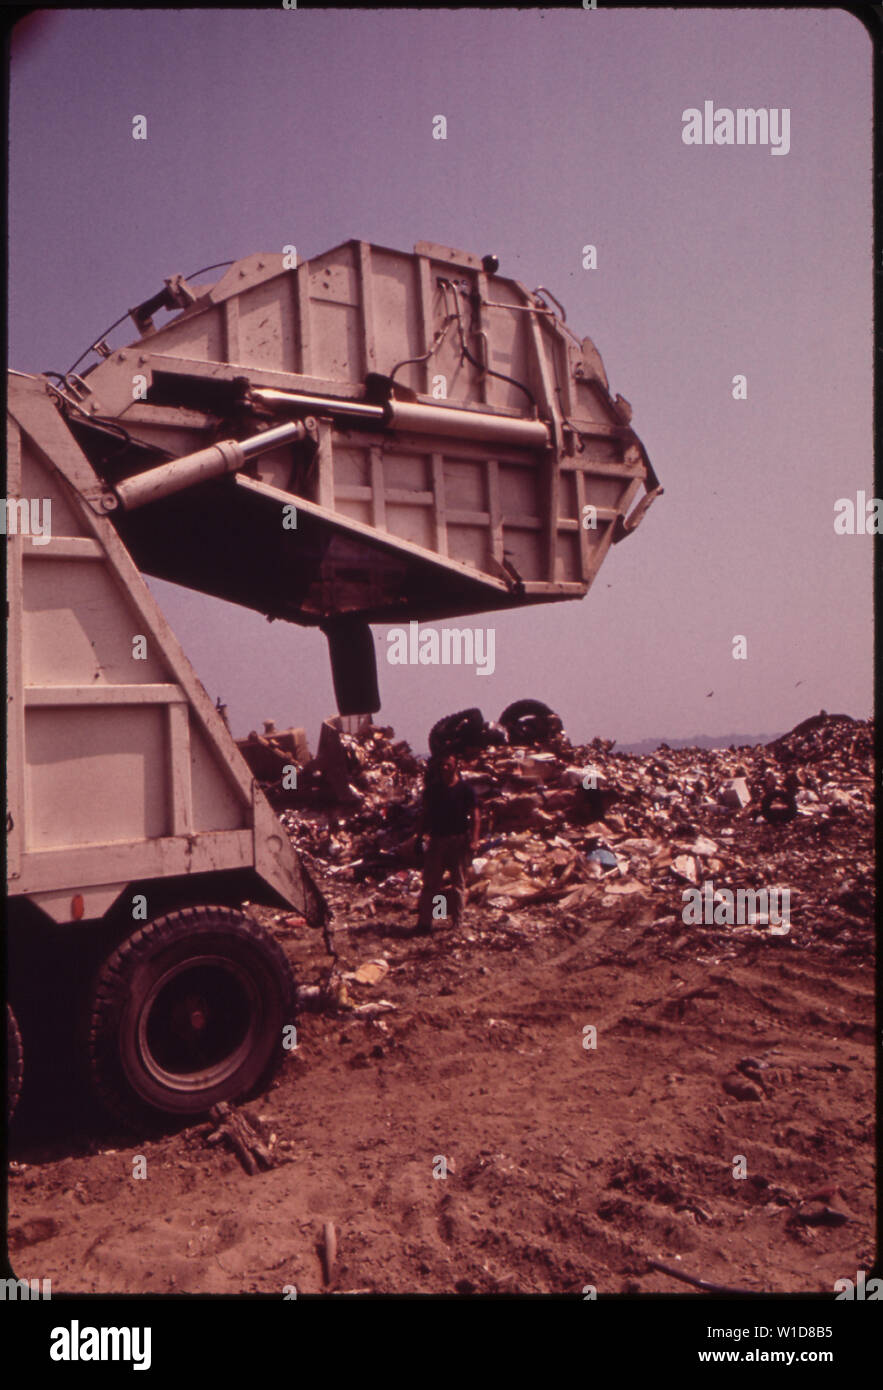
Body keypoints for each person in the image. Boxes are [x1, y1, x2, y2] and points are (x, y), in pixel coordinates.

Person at [415, 752, 480, 933]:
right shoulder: (433, 790)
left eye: (448, 765)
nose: (444, 768)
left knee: (458, 884)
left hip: (458, 841)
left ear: (456, 766)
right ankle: (431, 920)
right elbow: (425, 815)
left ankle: (457, 923)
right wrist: (419, 837)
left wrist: (474, 839)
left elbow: (475, 815)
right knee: (433, 884)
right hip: (437, 840)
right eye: (442, 765)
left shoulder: (465, 790)